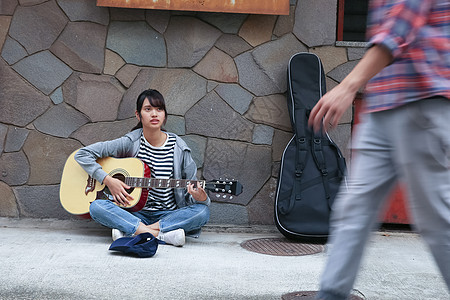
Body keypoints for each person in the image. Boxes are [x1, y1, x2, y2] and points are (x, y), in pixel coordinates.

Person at [308, 0, 450, 299]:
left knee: (436, 219)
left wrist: (347, 86)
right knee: (353, 209)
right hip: (384, 101)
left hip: (421, 98)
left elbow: (401, 24)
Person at [75, 89, 210, 247]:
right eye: (148, 109)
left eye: (159, 109)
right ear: (138, 115)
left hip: (168, 215)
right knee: (96, 207)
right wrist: (108, 180)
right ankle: (162, 236)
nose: (154, 114)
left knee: (202, 212)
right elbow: (82, 154)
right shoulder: (130, 142)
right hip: (133, 211)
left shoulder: (179, 148)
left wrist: (201, 198)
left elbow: (191, 194)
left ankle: (132, 230)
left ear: (165, 115)